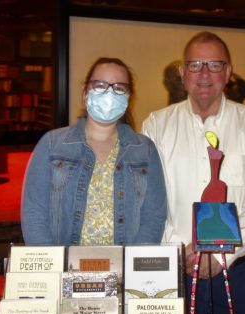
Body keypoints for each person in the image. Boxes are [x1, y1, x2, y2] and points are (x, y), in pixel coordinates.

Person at [142, 31, 245, 314]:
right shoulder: (155, 125)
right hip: (175, 266)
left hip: (236, 268)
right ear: (182, 73)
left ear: (228, 73)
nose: (204, 74)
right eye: (195, 65)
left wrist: (220, 256)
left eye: (214, 65)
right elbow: (148, 198)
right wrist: (182, 251)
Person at [21, 57, 167, 246]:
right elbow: (34, 215)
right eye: (100, 85)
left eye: (119, 87)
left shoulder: (145, 149)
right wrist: (54, 268)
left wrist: (132, 267)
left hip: (123, 269)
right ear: (85, 92)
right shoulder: (51, 144)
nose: (109, 93)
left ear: (128, 97)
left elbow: (154, 218)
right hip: (65, 267)